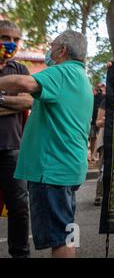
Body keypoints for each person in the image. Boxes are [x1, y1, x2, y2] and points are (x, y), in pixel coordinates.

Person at [0, 30, 93, 257]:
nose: (48, 52)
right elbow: (28, 101)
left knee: (60, 239)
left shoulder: (63, 72)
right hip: (67, 167)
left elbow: (24, 83)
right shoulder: (80, 77)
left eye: (52, 47)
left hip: (52, 170)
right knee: (67, 232)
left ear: (62, 50)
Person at [0, 20, 32, 258]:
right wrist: (13, 102)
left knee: (19, 208)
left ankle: (20, 254)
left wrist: (1, 99)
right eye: (4, 38)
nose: (10, 43)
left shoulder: (20, 70)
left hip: (13, 148)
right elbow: (19, 103)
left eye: (15, 39)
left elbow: (29, 101)